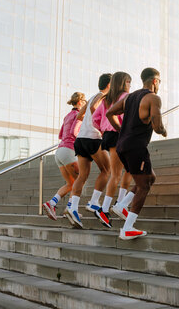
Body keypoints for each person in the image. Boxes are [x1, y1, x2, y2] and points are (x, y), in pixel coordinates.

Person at [106, 67, 167, 240]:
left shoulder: (130, 97)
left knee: (150, 177)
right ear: (155, 81)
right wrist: (163, 131)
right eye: (159, 82)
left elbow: (110, 113)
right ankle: (127, 228)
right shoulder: (153, 98)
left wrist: (121, 130)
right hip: (136, 147)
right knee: (144, 186)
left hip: (122, 146)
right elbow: (157, 126)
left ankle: (122, 205)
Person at [65, 73, 112, 228]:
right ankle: (93, 202)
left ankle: (73, 207)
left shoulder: (92, 96)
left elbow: (79, 115)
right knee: (107, 170)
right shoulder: (103, 96)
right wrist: (100, 127)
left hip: (81, 139)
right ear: (110, 84)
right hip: (93, 137)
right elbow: (93, 109)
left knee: (83, 176)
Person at [91, 71, 133, 228]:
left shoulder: (106, 100)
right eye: (129, 82)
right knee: (118, 174)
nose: (130, 86)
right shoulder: (125, 98)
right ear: (123, 83)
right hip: (119, 133)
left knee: (125, 170)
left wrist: (103, 129)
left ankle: (117, 204)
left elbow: (95, 118)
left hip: (108, 136)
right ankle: (107, 208)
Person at [42, 92, 86, 220]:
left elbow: (61, 135)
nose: (85, 106)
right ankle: (71, 209)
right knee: (80, 180)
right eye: (84, 103)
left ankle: (52, 203)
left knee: (70, 184)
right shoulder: (79, 115)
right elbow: (75, 132)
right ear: (79, 102)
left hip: (60, 151)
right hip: (69, 150)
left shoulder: (67, 116)